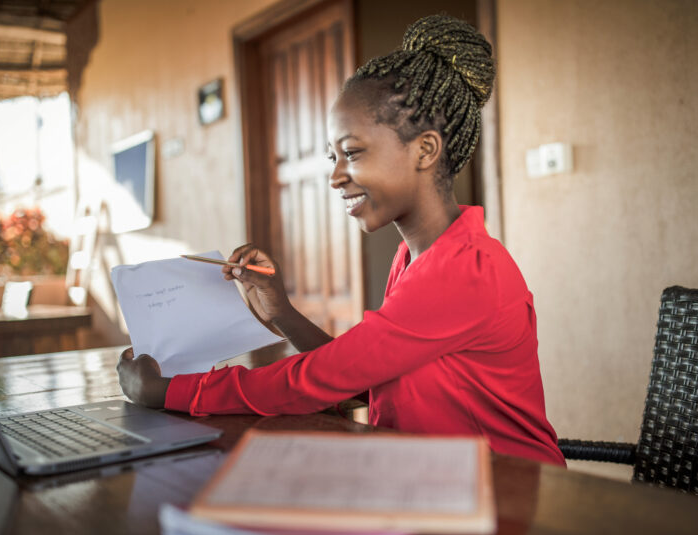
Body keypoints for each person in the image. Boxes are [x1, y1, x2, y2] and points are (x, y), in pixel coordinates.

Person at [118, 14, 566, 466]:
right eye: (332, 157)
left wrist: (167, 391)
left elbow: (317, 380)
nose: (334, 177)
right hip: (434, 483)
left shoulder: (464, 269)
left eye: (351, 153)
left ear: (425, 151)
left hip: (510, 496)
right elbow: (357, 379)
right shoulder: (415, 258)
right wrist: (284, 314)